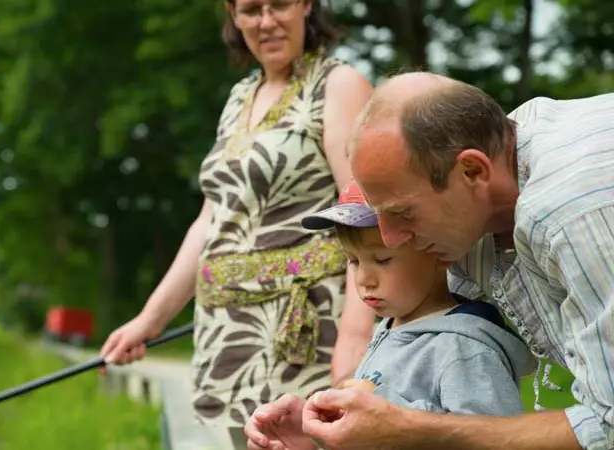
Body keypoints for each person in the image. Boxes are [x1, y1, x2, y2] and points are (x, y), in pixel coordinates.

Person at [252, 72, 614, 450]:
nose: (391, 238)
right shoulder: (471, 215)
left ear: (472, 171)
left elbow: (607, 426)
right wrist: (321, 423)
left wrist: (409, 429)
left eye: (403, 212)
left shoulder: (574, 210)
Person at [99, 0, 376, 447]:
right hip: (225, 336)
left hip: (304, 336)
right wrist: (149, 321)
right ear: (233, 14)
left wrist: (355, 339)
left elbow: (363, 213)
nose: (266, 21)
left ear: (306, 4)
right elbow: (211, 220)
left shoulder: (338, 85)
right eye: (251, 9)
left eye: (280, 4)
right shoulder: (238, 97)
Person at [244, 181, 535, 450]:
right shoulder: (392, 327)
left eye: (382, 259)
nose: (364, 279)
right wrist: (313, 433)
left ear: (438, 251)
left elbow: (493, 439)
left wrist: (388, 412)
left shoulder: (463, 348)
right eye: (353, 260)